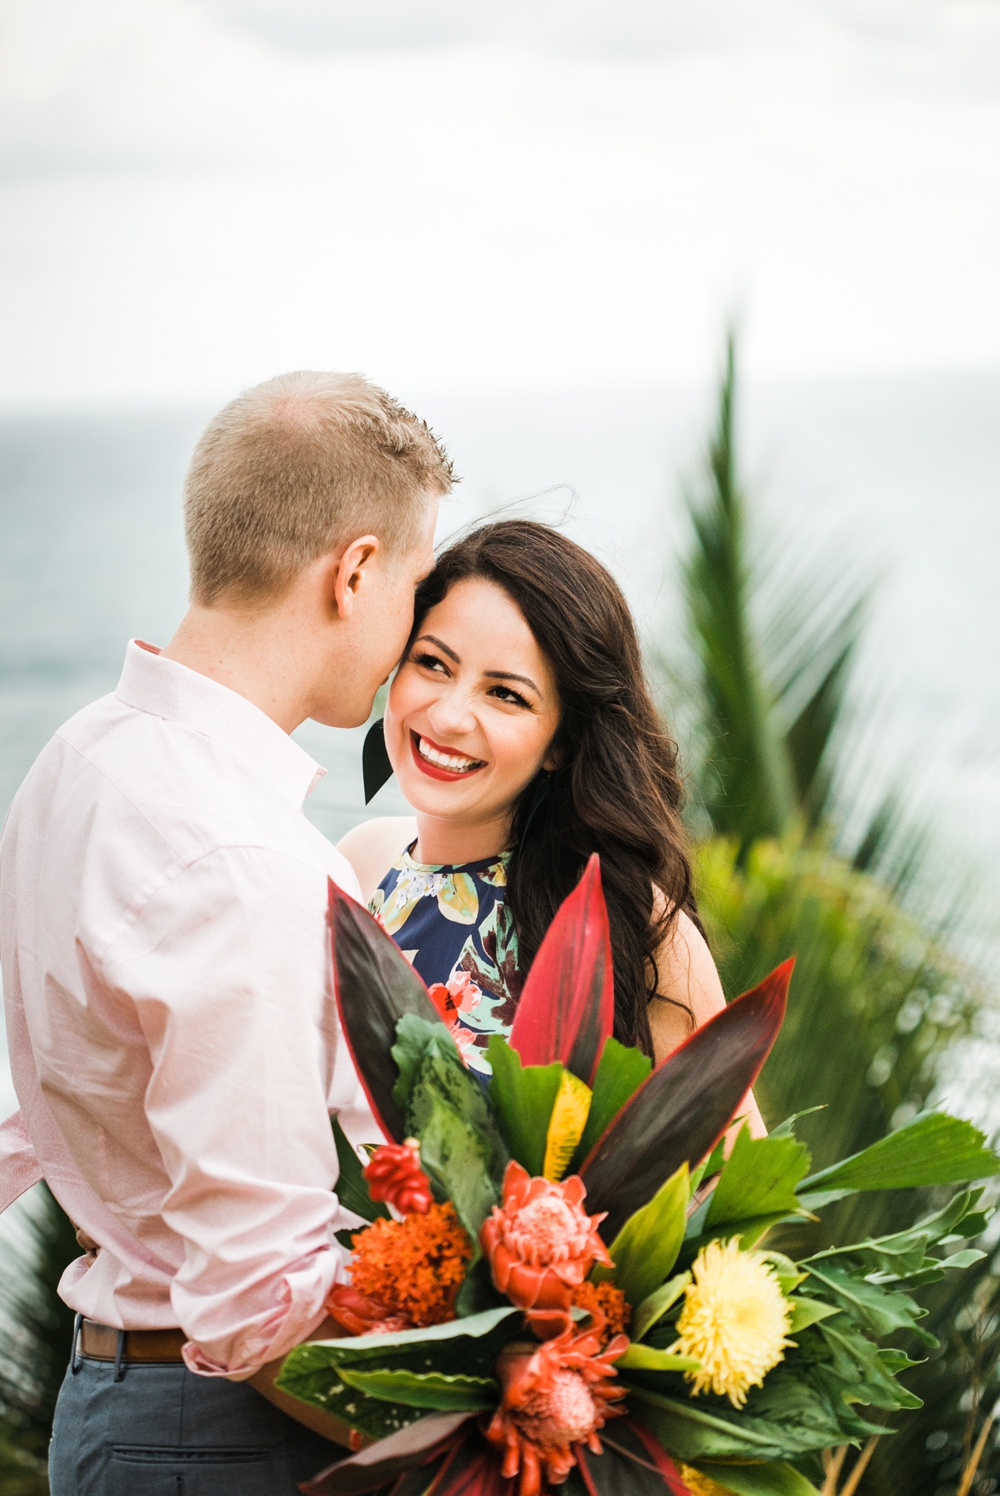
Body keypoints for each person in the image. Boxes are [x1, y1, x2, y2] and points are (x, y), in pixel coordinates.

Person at [0, 371, 452, 1492]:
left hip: (119, 1400)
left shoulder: (77, 758)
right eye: (411, 583)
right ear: (354, 572)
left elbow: (28, 1091)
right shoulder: (243, 861)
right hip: (215, 1433)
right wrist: (478, 1447)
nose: (409, 633)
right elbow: (259, 1299)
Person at [339, 520, 765, 1124]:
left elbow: (733, 1189)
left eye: (506, 695)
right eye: (433, 663)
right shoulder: (356, 864)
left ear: (562, 742)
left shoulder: (629, 922)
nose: (451, 715)